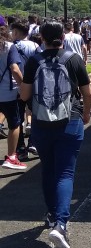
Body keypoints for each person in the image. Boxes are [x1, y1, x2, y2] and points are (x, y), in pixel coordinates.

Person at [20, 21, 91, 248]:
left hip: (41, 123)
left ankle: (52, 215)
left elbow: (24, 95)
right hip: (70, 120)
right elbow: (87, 92)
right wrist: (86, 115)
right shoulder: (73, 59)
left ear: (40, 37)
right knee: (65, 173)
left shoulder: (34, 61)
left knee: (48, 169)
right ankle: (61, 225)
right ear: (63, 36)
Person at [10, 19, 40, 158]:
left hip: (17, 86)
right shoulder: (35, 45)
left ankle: (21, 149)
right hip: (33, 85)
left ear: (15, 32)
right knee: (35, 113)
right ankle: (33, 142)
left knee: (18, 118)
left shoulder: (11, 46)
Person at [0, 25, 26, 170]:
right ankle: (11, 156)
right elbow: (15, 69)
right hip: (7, 93)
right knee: (14, 124)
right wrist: (23, 86)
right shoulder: (8, 47)